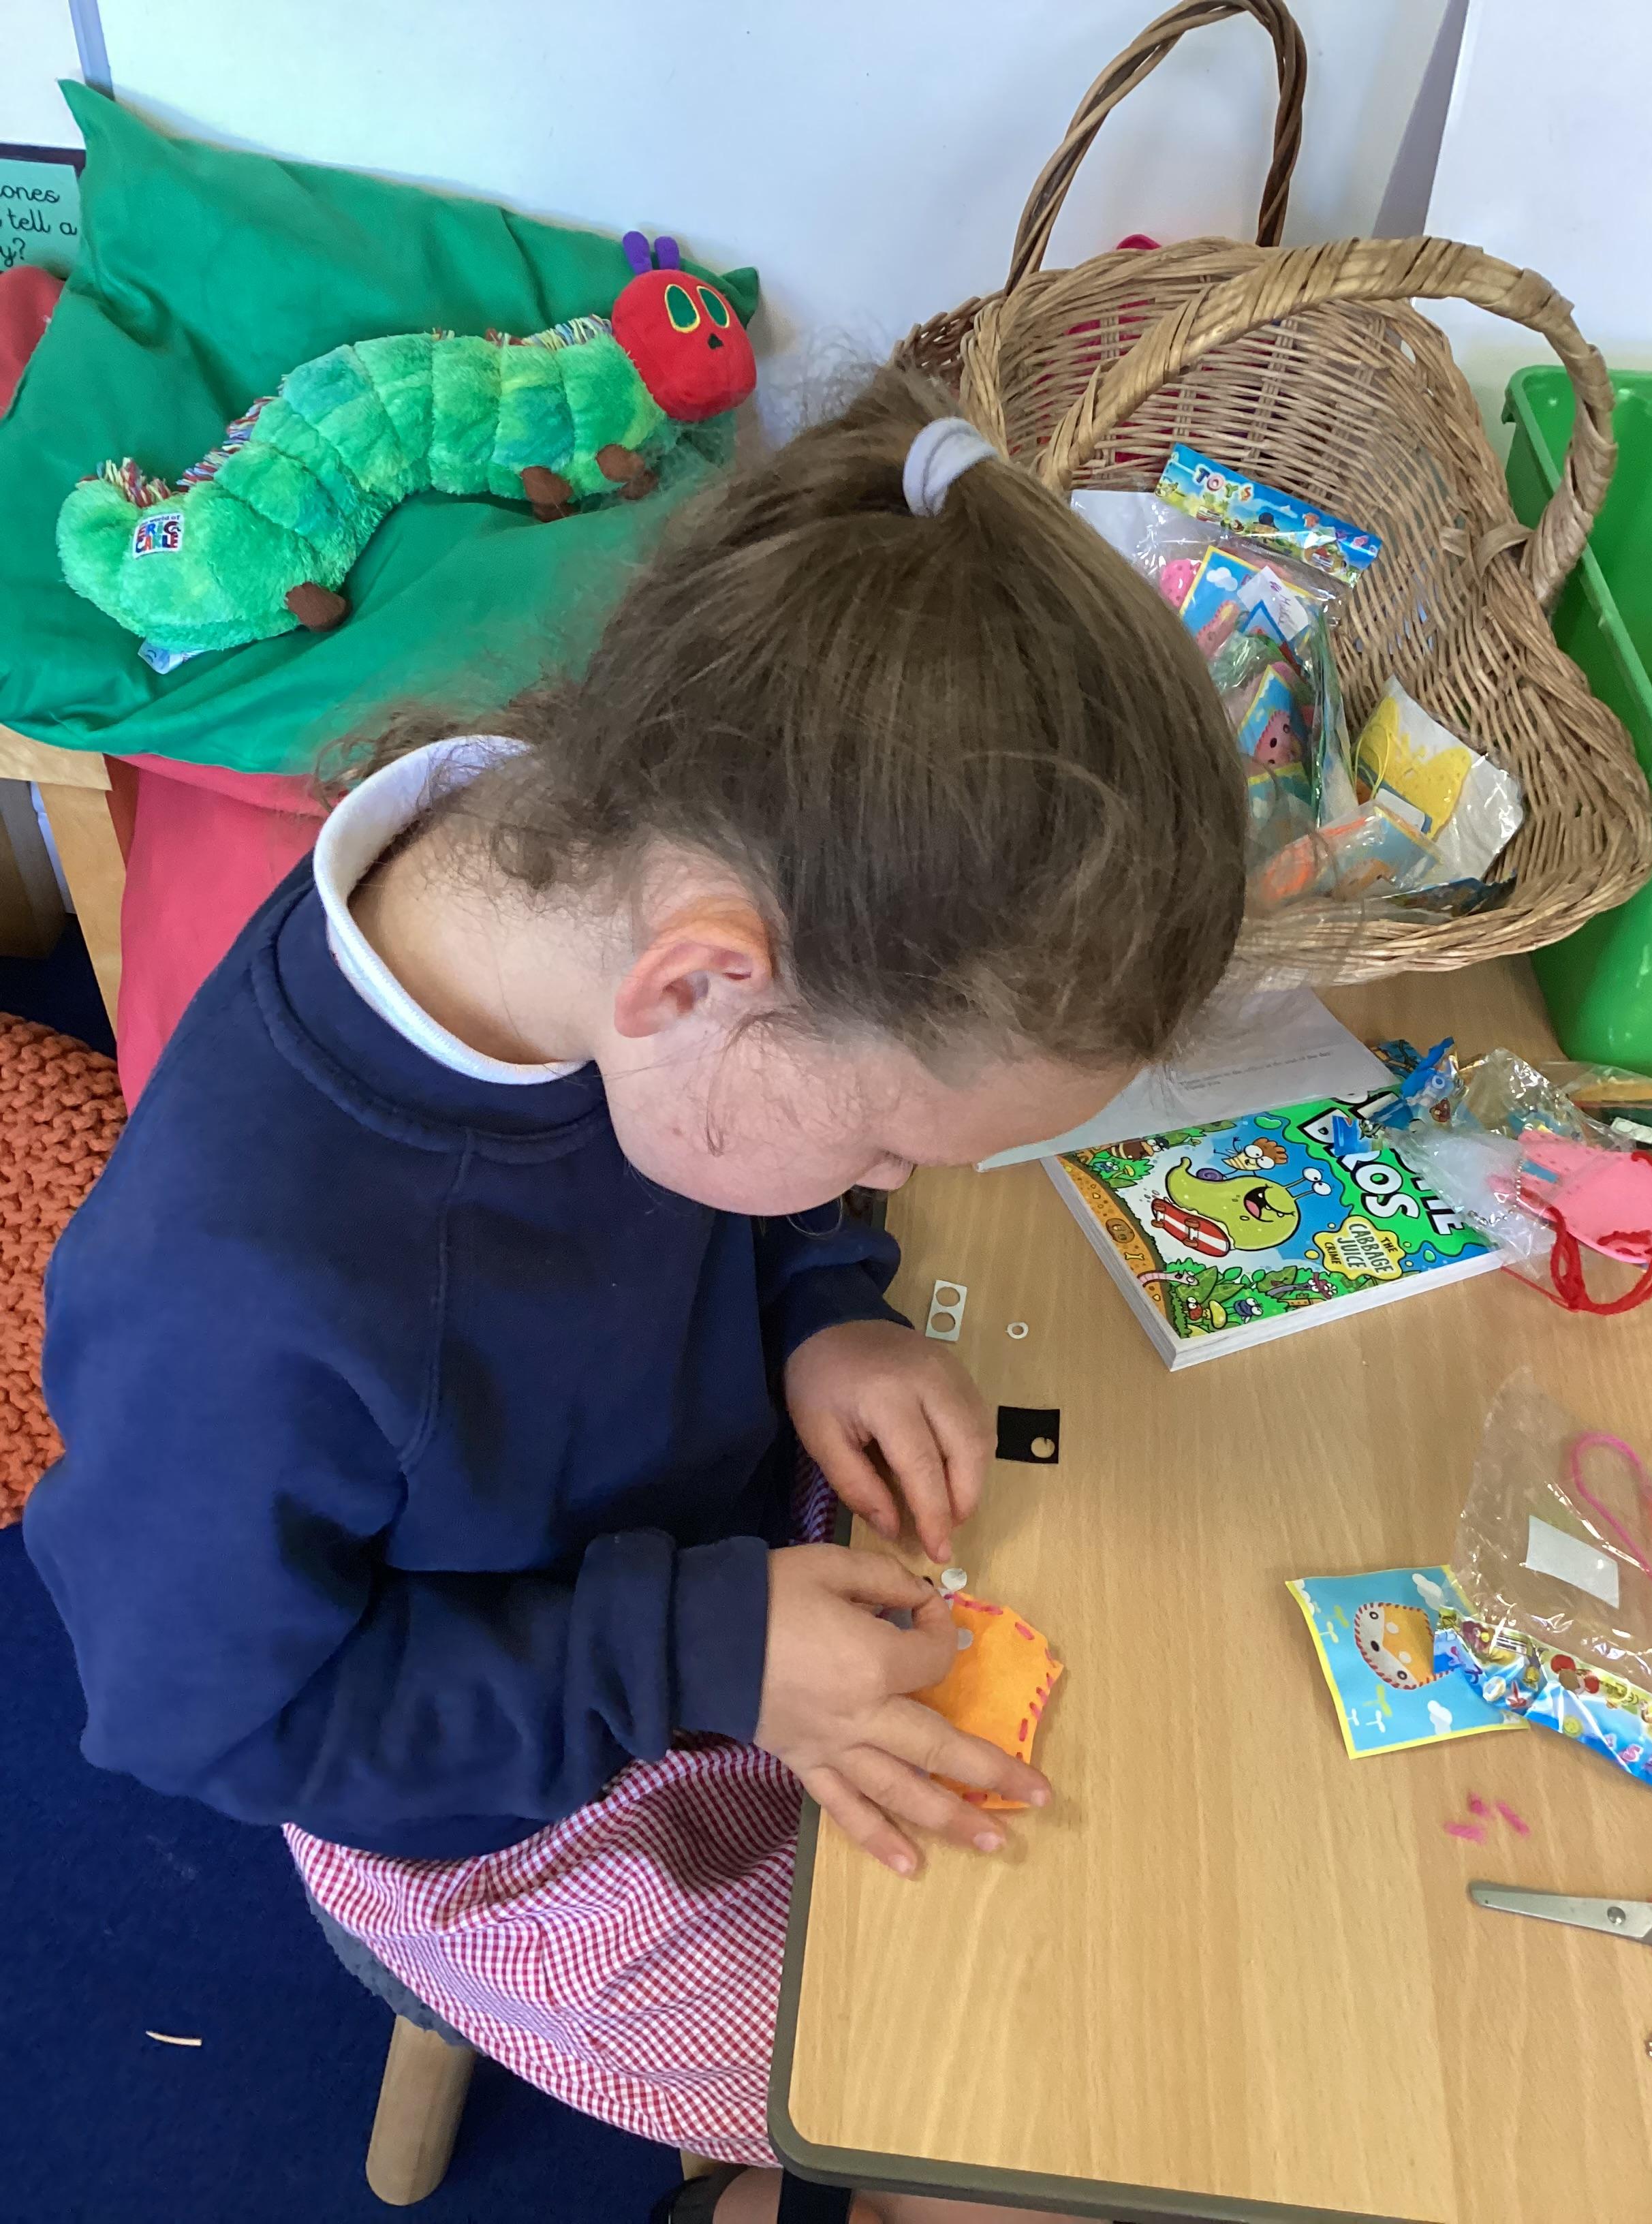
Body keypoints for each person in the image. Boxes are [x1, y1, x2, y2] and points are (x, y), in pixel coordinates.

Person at [26, 370, 1247, 2223]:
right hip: (503, 1815)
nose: (885, 1181)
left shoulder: (597, 881)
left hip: (706, 1578)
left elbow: (737, 1159)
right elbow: (211, 1717)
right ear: (696, 985)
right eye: (888, 1142)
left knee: (1162, 1768)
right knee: (1018, 2101)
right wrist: (707, 1654)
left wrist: (823, 1294)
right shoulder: (240, 1292)